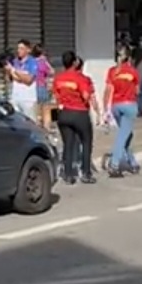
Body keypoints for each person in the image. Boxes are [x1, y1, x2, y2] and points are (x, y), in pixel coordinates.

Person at [53, 51, 96, 185]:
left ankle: (68, 174)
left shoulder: (58, 78)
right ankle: (86, 173)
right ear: (74, 63)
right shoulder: (80, 78)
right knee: (86, 142)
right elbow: (85, 96)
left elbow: (56, 96)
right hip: (79, 113)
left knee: (68, 144)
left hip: (64, 114)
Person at [104, 45, 141, 178]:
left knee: (126, 135)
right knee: (122, 136)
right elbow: (138, 91)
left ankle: (133, 163)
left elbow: (107, 91)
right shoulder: (133, 72)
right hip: (129, 106)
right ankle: (114, 164)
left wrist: (105, 110)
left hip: (116, 106)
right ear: (129, 58)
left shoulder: (112, 71)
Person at [4, 39, 39, 122]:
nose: (19, 51)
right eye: (18, 48)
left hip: (28, 99)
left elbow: (29, 80)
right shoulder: (15, 61)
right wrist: (7, 71)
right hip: (15, 98)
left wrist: (15, 71)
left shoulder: (32, 62)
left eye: (22, 48)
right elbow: (9, 80)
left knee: (30, 122)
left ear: (28, 50)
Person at [32, 44, 54, 118]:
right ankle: (45, 127)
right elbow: (52, 72)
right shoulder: (42, 63)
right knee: (45, 110)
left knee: (36, 111)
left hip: (32, 87)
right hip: (41, 87)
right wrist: (46, 62)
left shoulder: (31, 62)